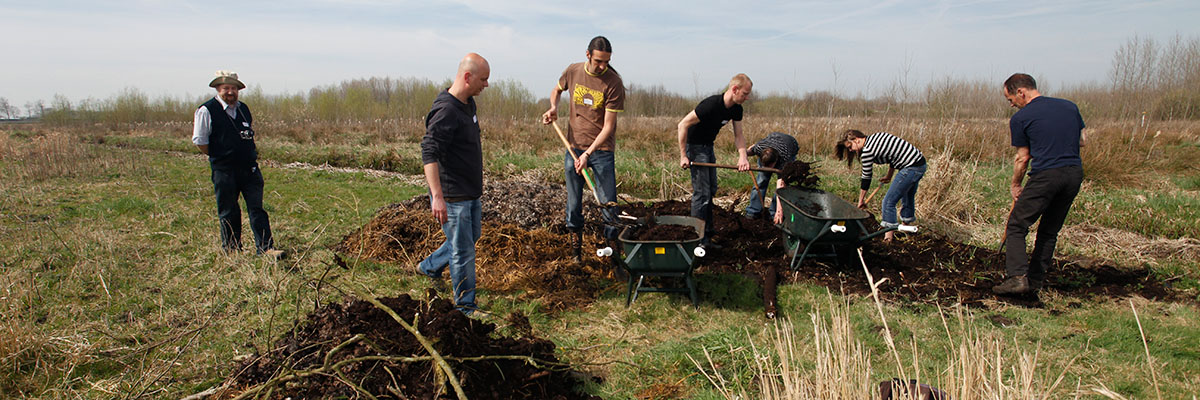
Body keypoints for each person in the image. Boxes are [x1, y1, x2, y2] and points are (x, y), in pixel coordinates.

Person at [992, 73, 1085, 296]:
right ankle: (1035, 281)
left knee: (1016, 225)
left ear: (1021, 92)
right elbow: (1082, 141)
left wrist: (1015, 184)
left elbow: (1023, 158)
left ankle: (1016, 278)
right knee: (1049, 230)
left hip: (1046, 176)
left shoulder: (1022, 118)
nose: (1012, 105)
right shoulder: (1070, 107)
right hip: (1074, 174)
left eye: (1010, 100)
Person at [541, 36, 625, 261]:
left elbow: (608, 127)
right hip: (573, 149)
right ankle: (576, 254)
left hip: (601, 151)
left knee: (608, 203)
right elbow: (556, 90)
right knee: (574, 202)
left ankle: (613, 255)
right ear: (588, 55)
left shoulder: (614, 83)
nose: (602, 66)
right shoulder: (573, 71)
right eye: (598, 61)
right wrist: (553, 108)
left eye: (606, 62)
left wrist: (588, 154)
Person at [417, 53, 490, 314]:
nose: (486, 85)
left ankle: (430, 266)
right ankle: (465, 306)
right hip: (453, 194)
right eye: (483, 79)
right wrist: (437, 196)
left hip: (470, 190)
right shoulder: (446, 110)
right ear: (467, 77)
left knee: (470, 239)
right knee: (463, 251)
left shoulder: (468, 104)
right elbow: (429, 152)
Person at [192, 71, 284, 259]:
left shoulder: (243, 109)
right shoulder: (206, 110)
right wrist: (221, 156)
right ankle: (232, 251)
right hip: (224, 171)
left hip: (249, 170)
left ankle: (266, 248)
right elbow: (200, 141)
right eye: (226, 88)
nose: (230, 92)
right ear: (218, 89)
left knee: (257, 209)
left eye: (234, 88)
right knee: (228, 211)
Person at [677, 74, 752, 248]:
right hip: (695, 147)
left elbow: (739, 135)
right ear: (734, 89)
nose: (747, 97)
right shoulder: (710, 105)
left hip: (708, 147)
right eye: (745, 93)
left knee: (711, 190)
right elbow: (682, 125)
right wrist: (683, 155)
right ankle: (696, 240)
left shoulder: (736, 109)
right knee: (701, 194)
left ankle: (707, 236)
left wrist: (743, 157)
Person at [834, 129, 926, 241]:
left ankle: (888, 238)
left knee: (888, 202)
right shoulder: (875, 137)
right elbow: (894, 155)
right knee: (907, 195)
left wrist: (861, 201)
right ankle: (907, 230)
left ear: (856, 140)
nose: (851, 150)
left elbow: (866, 178)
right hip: (920, 164)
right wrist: (889, 176)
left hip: (911, 167)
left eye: (850, 147)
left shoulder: (867, 151)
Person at [744, 132, 799, 224]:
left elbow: (781, 185)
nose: (768, 169)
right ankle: (753, 210)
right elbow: (749, 150)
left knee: (782, 187)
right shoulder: (759, 147)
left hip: (790, 145)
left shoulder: (785, 158)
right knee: (761, 181)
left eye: (770, 166)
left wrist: (779, 210)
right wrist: (743, 157)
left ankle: (773, 213)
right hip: (772, 139)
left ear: (776, 161)